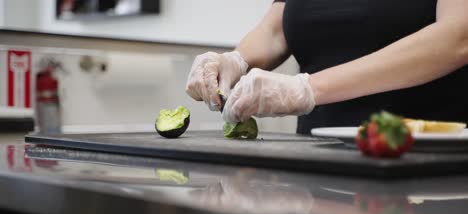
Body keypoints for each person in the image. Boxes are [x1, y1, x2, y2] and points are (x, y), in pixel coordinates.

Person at [186, 0, 468, 135]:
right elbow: (275, 32)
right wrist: (235, 60)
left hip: (420, 166)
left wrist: (309, 88)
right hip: (316, 163)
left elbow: (458, 37)